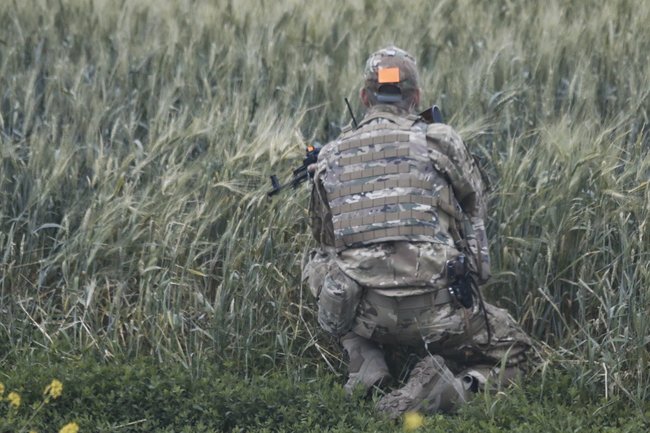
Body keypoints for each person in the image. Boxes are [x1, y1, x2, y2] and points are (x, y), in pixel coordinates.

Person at [303, 46, 531, 418]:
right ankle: (450, 391)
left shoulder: (331, 154)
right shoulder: (440, 140)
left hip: (365, 314)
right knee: (516, 351)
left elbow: (325, 237)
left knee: (317, 259)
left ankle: (364, 355)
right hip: (439, 316)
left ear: (364, 97)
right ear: (417, 97)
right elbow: (476, 205)